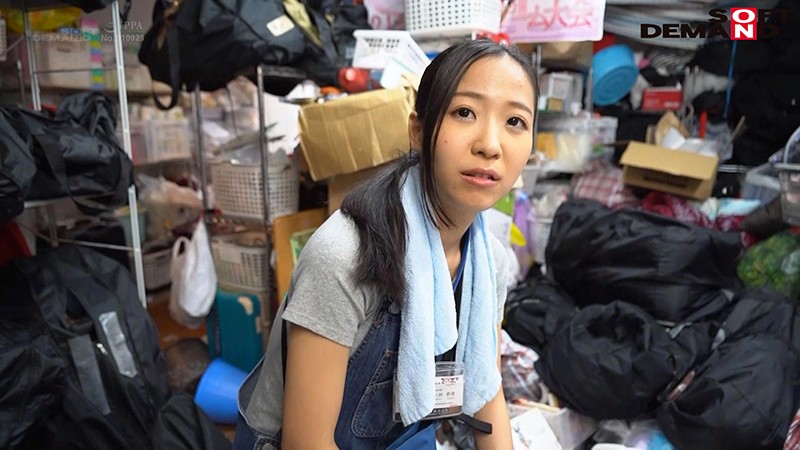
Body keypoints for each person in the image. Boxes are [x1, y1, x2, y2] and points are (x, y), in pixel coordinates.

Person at [233, 38, 539, 450]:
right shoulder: (345, 255)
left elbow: (487, 389)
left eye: (515, 121)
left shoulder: (488, 263)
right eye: (464, 112)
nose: (490, 144)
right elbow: (306, 443)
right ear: (418, 131)